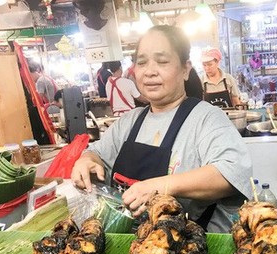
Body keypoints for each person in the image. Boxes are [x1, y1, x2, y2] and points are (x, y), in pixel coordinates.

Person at [70, 25, 253, 233]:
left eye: (162, 61)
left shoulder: (206, 118)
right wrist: (86, 161)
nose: (149, 71)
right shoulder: (129, 122)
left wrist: (159, 187)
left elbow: (230, 174)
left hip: (184, 251)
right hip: (128, 247)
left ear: (185, 69)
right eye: (141, 62)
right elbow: (96, 154)